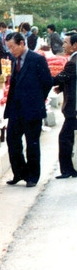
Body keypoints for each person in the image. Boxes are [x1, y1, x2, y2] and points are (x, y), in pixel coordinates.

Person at [4, 32, 53, 188]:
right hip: (16, 108)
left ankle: (32, 176)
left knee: (32, 143)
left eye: (13, 47)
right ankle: (19, 172)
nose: (11, 50)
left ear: (22, 44)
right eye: (9, 48)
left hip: (32, 109)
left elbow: (47, 82)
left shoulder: (37, 59)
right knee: (12, 140)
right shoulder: (14, 60)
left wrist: (37, 99)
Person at [52, 32, 77, 179]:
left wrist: (46, 80)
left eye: (66, 42)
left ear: (74, 45)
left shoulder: (72, 62)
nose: (63, 45)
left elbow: (62, 77)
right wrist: (62, 87)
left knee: (64, 138)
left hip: (73, 109)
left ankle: (68, 170)